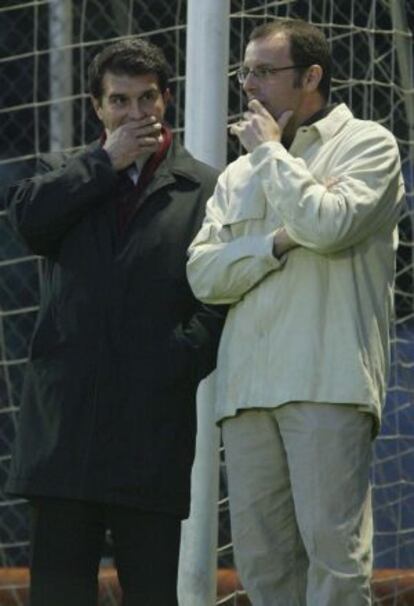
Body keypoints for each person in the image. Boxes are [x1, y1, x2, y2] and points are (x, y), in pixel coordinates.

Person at [187, 18, 404, 606]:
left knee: (333, 560)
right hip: (248, 392)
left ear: (311, 76)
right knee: (262, 566)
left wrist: (271, 155)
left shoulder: (367, 145)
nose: (250, 85)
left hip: (327, 381)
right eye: (245, 72)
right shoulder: (237, 173)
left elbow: (328, 226)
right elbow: (203, 274)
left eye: (264, 71)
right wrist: (273, 244)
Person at [5, 38, 226, 606]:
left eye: (147, 99)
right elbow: (29, 221)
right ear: (97, 108)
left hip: (150, 431)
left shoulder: (202, 185)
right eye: (120, 101)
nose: (136, 115)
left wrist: (180, 357)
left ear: (166, 100)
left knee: (154, 594)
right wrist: (105, 163)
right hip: (64, 433)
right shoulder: (61, 172)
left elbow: (219, 293)